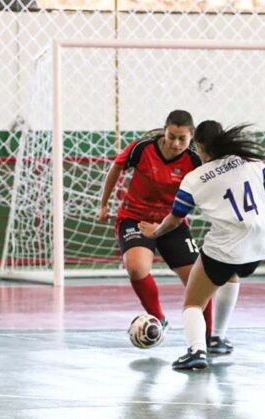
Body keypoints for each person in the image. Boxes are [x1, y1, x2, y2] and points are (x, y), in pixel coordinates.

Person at [139, 122, 265, 370]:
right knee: (231, 274)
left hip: (229, 244)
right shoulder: (250, 162)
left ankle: (196, 351)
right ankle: (218, 337)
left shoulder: (194, 178)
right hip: (261, 243)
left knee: (193, 303)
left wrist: (156, 232)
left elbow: (175, 219)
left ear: (199, 146)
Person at [99, 110, 236, 353]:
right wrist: (104, 203)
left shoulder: (196, 160)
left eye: (181, 139)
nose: (175, 143)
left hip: (172, 223)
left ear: (191, 137)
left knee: (199, 281)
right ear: (164, 130)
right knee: (136, 267)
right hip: (136, 218)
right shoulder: (141, 148)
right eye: (171, 136)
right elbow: (116, 169)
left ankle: (208, 338)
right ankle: (158, 319)